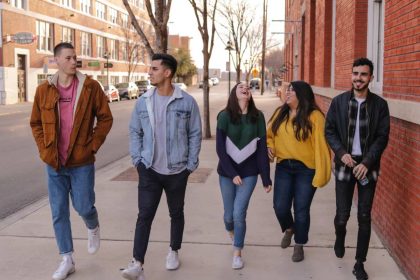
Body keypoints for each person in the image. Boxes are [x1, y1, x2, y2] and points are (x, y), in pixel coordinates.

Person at [29, 42, 113, 280]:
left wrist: (93, 145)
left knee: (84, 206)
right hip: (54, 163)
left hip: (81, 162)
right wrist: (44, 149)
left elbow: (105, 119)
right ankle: (67, 258)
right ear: (56, 61)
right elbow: (36, 123)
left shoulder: (90, 87)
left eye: (75, 57)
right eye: (68, 58)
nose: (73, 61)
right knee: (58, 212)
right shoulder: (44, 90)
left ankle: (93, 225)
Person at [123, 53, 202, 280]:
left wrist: (190, 165)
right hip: (149, 169)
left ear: (167, 73)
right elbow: (135, 131)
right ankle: (137, 263)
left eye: (154, 69)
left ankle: (173, 251)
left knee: (176, 213)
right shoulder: (143, 101)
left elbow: (195, 133)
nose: (150, 72)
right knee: (144, 214)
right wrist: (138, 161)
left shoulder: (186, 102)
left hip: (178, 170)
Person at [325, 57, 390, 280]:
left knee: (364, 215)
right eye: (355, 73)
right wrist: (342, 153)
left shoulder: (380, 105)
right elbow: (330, 131)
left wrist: (367, 162)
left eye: (363, 74)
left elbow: (382, 137)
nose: (358, 78)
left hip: (367, 166)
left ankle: (359, 263)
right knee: (342, 215)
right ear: (351, 75)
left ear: (370, 77)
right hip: (345, 163)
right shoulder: (339, 102)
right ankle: (340, 236)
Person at [267, 80, 331, 262]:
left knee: (301, 210)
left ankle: (299, 244)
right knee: (280, 206)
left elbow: (322, 147)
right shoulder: (280, 113)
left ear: (302, 95)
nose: (287, 93)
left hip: (306, 169)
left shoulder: (315, 117)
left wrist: (322, 173)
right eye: (287, 90)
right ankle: (289, 228)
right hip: (284, 167)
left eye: (291, 91)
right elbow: (269, 135)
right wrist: (269, 147)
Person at [216, 82, 272, 269]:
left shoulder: (258, 117)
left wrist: (265, 177)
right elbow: (220, 150)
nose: (245, 88)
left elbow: (262, 149)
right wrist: (232, 174)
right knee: (228, 217)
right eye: (241, 86)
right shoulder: (224, 117)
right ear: (234, 93)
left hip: (249, 173)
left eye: (248, 87)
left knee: (239, 213)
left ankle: (237, 252)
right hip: (227, 173)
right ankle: (232, 232)